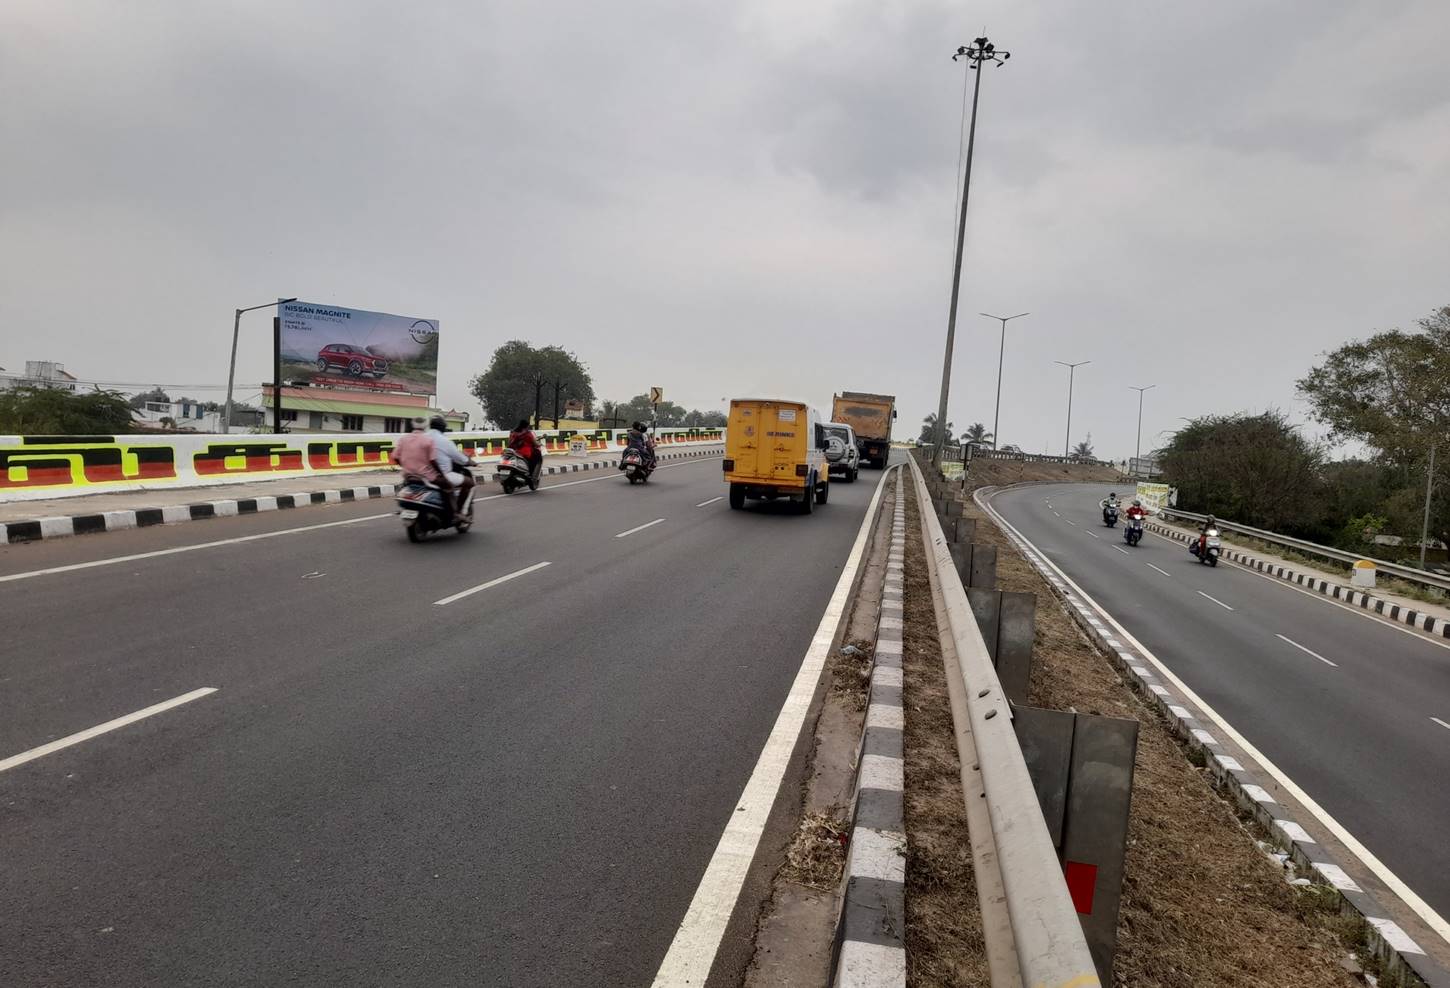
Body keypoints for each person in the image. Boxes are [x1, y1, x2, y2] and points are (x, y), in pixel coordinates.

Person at [427, 414, 474, 517]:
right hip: (441, 474)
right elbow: (460, 458)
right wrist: (471, 462)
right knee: (469, 482)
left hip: (423, 474)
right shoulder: (445, 441)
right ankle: (458, 511)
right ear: (443, 427)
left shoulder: (423, 437)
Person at [390, 417, 441, 484]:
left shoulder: (403, 439)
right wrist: (440, 473)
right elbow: (432, 460)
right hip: (426, 477)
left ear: (412, 425)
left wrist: (405, 466)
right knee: (447, 486)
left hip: (408, 476)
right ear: (425, 426)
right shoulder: (429, 440)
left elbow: (395, 457)